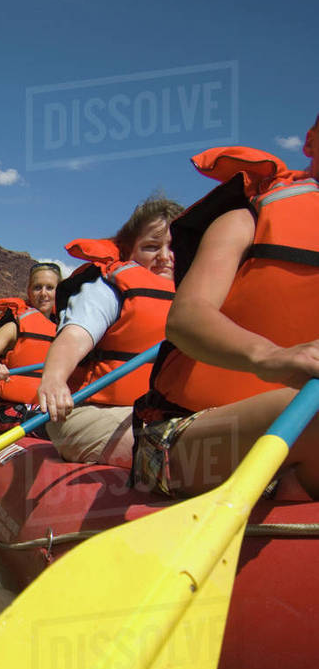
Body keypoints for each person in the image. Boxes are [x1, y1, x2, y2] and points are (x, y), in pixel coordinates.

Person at [132, 122, 319, 500]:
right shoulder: (242, 221)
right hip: (179, 440)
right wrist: (273, 357)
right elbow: (187, 320)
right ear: (311, 141)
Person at [36, 194, 182, 467]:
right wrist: (54, 378)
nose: (165, 257)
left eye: (174, 247)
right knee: (191, 451)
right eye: (152, 247)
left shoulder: (203, 299)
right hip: (92, 412)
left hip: (163, 416)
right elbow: (74, 338)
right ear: (129, 253)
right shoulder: (107, 291)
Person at [0, 259, 62, 434]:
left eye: (50, 287)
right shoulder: (13, 327)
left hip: (50, 411)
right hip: (15, 413)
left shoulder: (67, 330)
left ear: (59, 292)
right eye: (37, 287)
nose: (43, 293)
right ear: (29, 291)